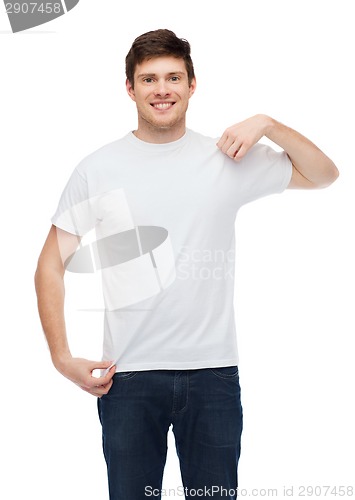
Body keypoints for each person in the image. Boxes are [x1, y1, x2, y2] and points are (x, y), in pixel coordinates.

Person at [34, 29, 339, 500]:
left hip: (213, 375)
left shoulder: (226, 158)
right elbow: (50, 266)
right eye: (149, 79)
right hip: (127, 379)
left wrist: (269, 125)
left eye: (173, 77)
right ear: (130, 89)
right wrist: (61, 357)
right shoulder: (98, 168)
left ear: (192, 85)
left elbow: (324, 175)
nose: (162, 90)